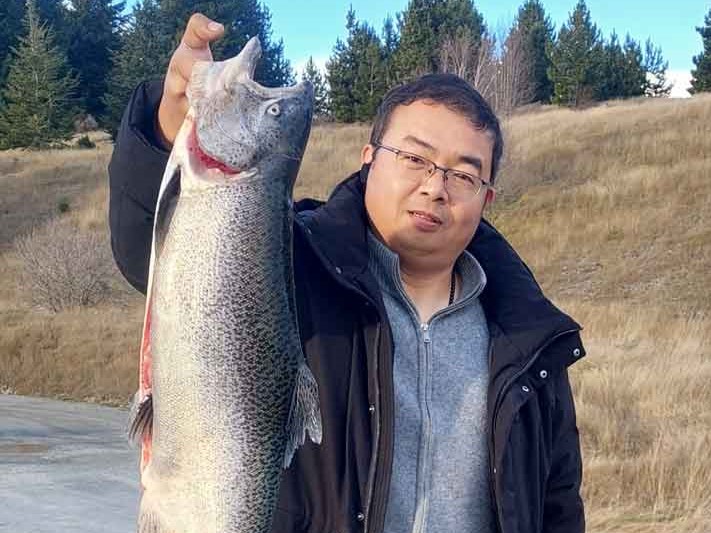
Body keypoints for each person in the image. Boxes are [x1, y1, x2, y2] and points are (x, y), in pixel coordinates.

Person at [108, 12, 588, 533]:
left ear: (486, 196)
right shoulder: (292, 260)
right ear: (369, 160)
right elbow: (150, 249)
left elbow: (557, 501)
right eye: (414, 158)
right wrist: (171, 120)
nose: (435, 186)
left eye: (463, 173)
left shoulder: (530, 338)